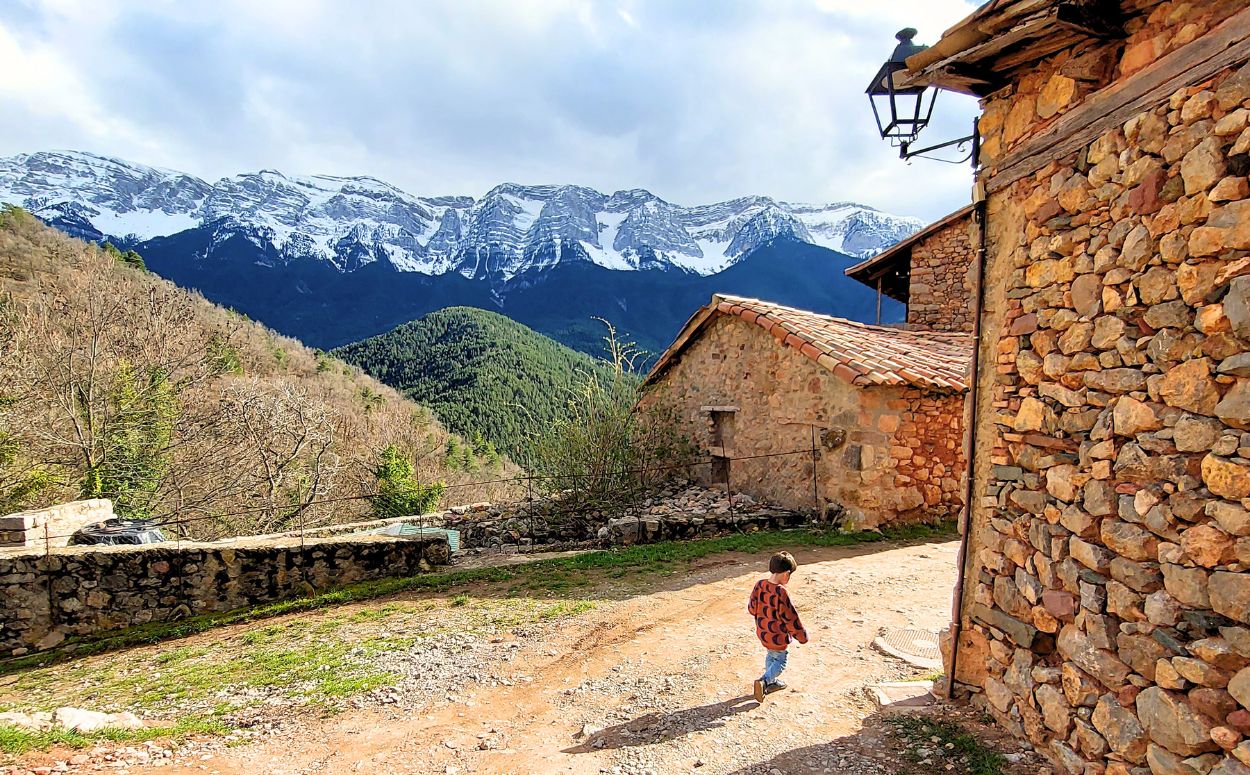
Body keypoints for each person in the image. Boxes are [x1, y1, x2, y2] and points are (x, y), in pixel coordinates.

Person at [747, 551, 808, 703]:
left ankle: (772, 683)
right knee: (780, 661)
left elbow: (751, 608)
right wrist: (801, 636)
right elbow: (791, 617)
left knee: (771, 655)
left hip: (763, 632)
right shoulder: (781, 593)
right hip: (778, 636)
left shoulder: (759, 585)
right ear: (786, 573)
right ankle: (764, 681)